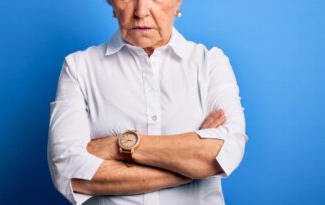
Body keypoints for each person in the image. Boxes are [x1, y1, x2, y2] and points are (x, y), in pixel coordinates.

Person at [47, 0, 249, 204]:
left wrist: (118, 145)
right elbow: (68, 171)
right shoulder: (78, 68)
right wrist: (191, 168)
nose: (141, 11)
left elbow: (226, 151)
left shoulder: (210, 64)